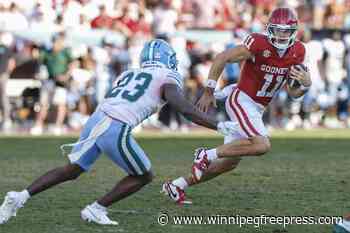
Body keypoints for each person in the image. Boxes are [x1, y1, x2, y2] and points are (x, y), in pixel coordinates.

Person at [0, 39, 235, 225]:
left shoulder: (128, 73)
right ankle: (96, 209)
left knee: (73, 169)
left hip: (97, 119)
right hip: (115, 125)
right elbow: (184, 109)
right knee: (145, 175)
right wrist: (219, 125)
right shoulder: (167, 75)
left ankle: (19, 196)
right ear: (167, 59)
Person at [162, 8, 312, 204]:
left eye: (286, 31)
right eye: (278, 30)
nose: (282, 35)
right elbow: (222, 58)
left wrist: (306, 85)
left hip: (257, 106)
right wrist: (209, 90)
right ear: (269, 29)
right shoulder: (258, 43)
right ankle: (205, 154)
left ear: (294, 31)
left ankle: (178, 185)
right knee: (261, 145)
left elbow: (293, 93)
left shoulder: (298, 51)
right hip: (242, 99)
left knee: (229, 162)